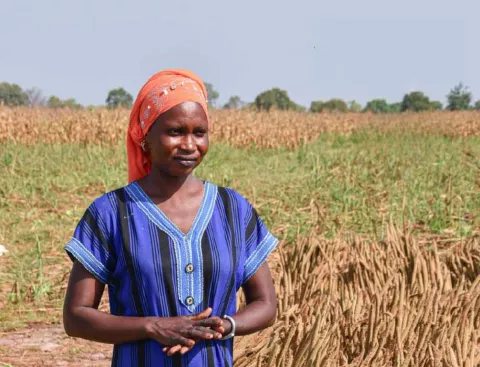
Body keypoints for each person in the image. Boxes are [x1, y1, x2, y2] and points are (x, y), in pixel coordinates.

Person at [63, 69, 279, 367]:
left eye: (199, 133)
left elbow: (265, 304)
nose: (190, 145)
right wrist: (153, 326)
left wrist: (224, 326)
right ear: (145, 136)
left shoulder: (233, 210)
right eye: (175, 132)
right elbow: (76, 317)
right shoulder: (111, 212)